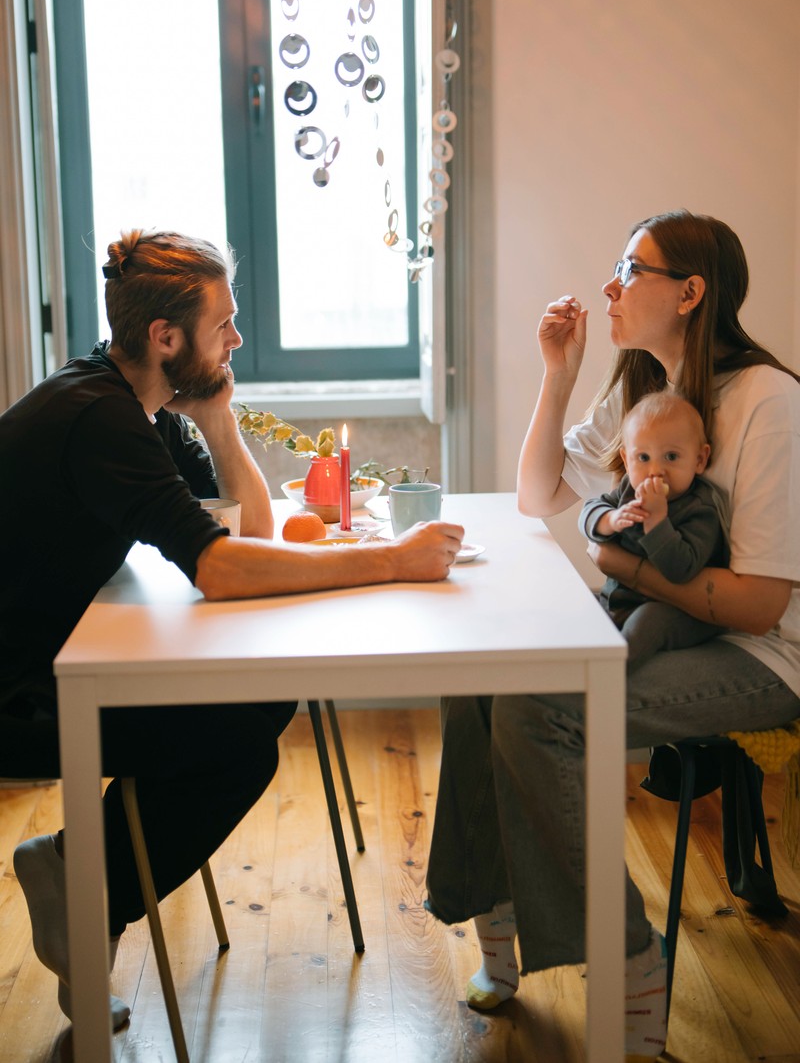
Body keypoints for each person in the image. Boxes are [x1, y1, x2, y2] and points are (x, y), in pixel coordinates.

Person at [0, 229, 464, 1030]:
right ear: (166, 338)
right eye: (225, 326)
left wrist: (218, 425)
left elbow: (254, 534)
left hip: (56, 661)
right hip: (18, 697)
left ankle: (82, 879)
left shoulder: (137, 406)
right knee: (241, 735)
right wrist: (392, 561)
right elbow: (220, 569)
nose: (239, 341)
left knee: (254, 714)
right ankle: (82, 884)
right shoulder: (100, 418)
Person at [425, 210, 800, 1059]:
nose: (611, 286)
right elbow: (536, 494)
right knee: (477, 679)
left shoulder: (769, 402)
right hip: (662, 628)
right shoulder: (640, 389)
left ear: (691, 291)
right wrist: (559, 374)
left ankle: (631, 960)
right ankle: (502, 921)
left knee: (536, 712)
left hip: (761, 658)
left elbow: (762, 605)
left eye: (632, 268)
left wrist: (626, 567)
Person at [579, 390, 727, 667]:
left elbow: (681, 569)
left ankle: (609, 673)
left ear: (699, 459)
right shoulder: (628, 490)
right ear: (626, 459)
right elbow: (588, 512)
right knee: (579, 603)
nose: (655, 470)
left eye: (671, 456)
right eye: (643, 458)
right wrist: (610, 519)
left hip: (677, 611)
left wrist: (657, 521)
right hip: (622, 598)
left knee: (649, 622)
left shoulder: (700, 509)